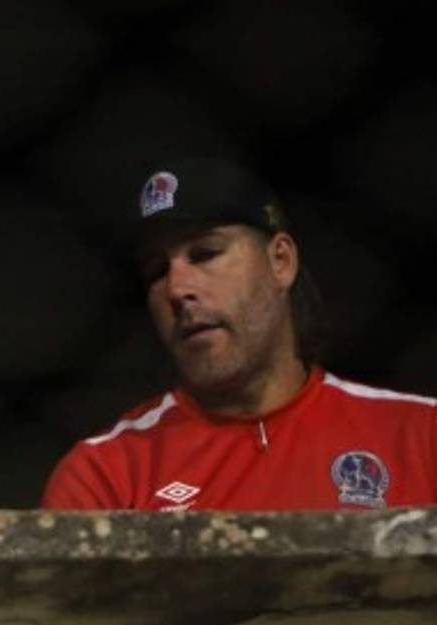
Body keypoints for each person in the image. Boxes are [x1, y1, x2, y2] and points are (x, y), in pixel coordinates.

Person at [42, 159, 436, 511]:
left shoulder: (421, 436)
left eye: (205, 253)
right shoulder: (105, 476)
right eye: (156, 272)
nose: (177, 289)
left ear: (280, 261)